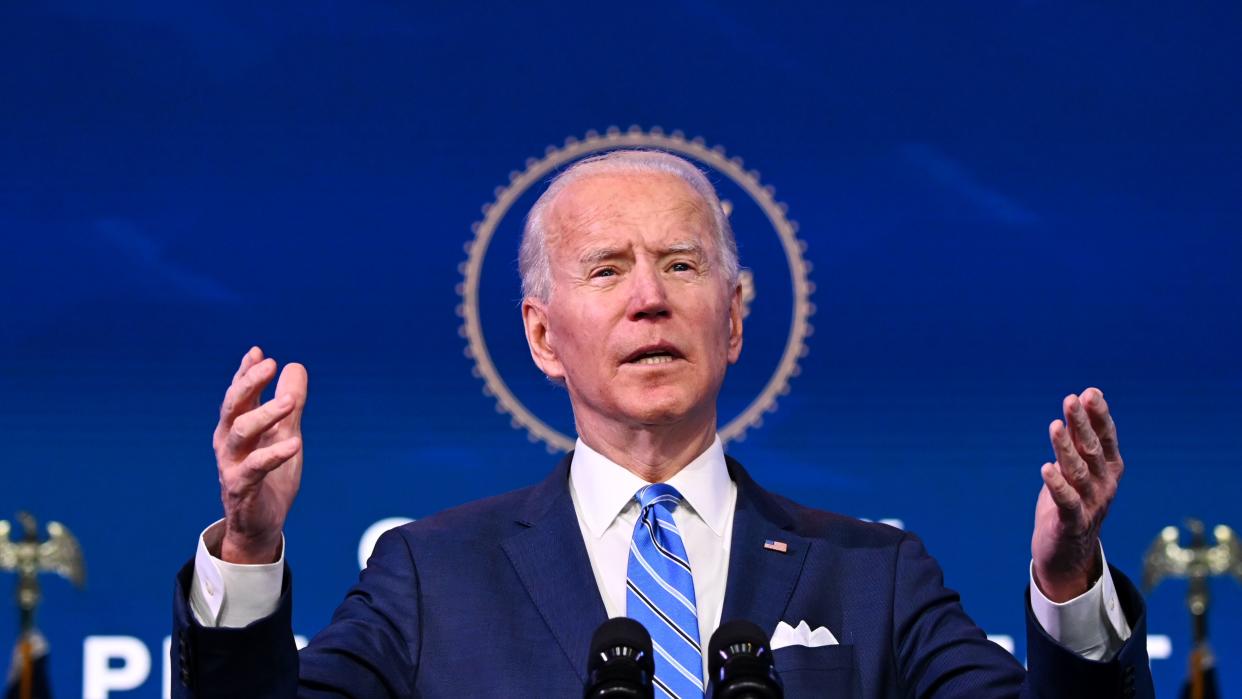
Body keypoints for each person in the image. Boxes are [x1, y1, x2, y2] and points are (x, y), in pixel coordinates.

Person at [171, 150, 1154, 697]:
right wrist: (251, 552)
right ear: (544, 336)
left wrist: (1069, 584)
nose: (650, 299)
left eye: (682, 265)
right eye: (608, 269)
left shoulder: (874, 578)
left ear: (732, 320)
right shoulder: (432, 578)